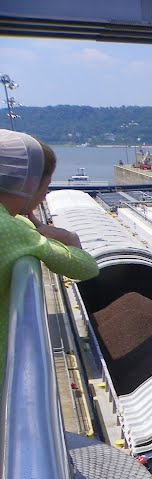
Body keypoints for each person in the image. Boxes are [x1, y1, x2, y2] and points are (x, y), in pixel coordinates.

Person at [0, 129, 99, 379]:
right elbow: (85, 268)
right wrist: (69, 237)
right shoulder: (14, 228)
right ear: (28, 183)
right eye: (46, 185)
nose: (45, 193)